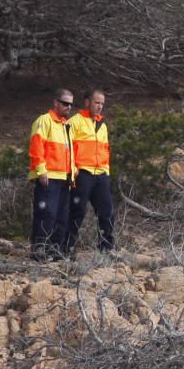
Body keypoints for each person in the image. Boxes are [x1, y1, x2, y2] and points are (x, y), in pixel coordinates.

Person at [28, 89, 76, 260]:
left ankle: (54, 250)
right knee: (46, 213)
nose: (68, 107)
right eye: (65, 103)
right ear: (55, 102)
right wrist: (41, 170)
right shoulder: (44, 120)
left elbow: (69, 153)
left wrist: (72, 174)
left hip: (64, 177)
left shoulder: (66, 126)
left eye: (70, 104)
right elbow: (36, 147)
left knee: (61, 216)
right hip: (49, 176)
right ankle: (39, 248)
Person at [66, 88, 114, 254]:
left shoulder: (102, 125)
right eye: (97, 102)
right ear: (87, 102)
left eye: (102, 103)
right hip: (83, 174)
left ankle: (107, 248)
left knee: (106, 212)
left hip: (101, 175)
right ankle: (67, 248)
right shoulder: (75, 122)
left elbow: (106, 150)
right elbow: (68, 150)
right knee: (77, 211)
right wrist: (74, 171)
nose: (100, 106)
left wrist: (106, 171)